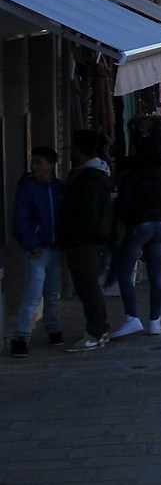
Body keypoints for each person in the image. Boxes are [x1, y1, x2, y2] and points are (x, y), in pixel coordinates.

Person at [56, 131, 117, 349]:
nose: (70, 151)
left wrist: (73, 239)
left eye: (73, 147)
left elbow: (87, 216)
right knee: (90, 287)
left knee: (88, 288)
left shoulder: (88, 179)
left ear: (80, 150)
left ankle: (96, 331)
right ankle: (99, 329)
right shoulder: (94, 174)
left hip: (85, 243)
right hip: (91, 240)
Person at [108, 138, 161, 337]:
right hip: (159, 225)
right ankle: (155, 320)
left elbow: (124, 206)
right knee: (156, 274)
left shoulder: (132, 175)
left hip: (139, 224)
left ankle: (132, 317)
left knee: (125, 272)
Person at [8, 147, 67, 355]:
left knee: (52, 293)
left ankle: (54, 329)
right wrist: (31, 245)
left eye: (38, 162)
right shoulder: (27, 188)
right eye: (33, 162)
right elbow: (19, 220)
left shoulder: (59, 187)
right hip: (37, 249)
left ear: (50, 165)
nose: (34, 166)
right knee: (32, 294)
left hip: (55, 248)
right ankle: (21, 336)